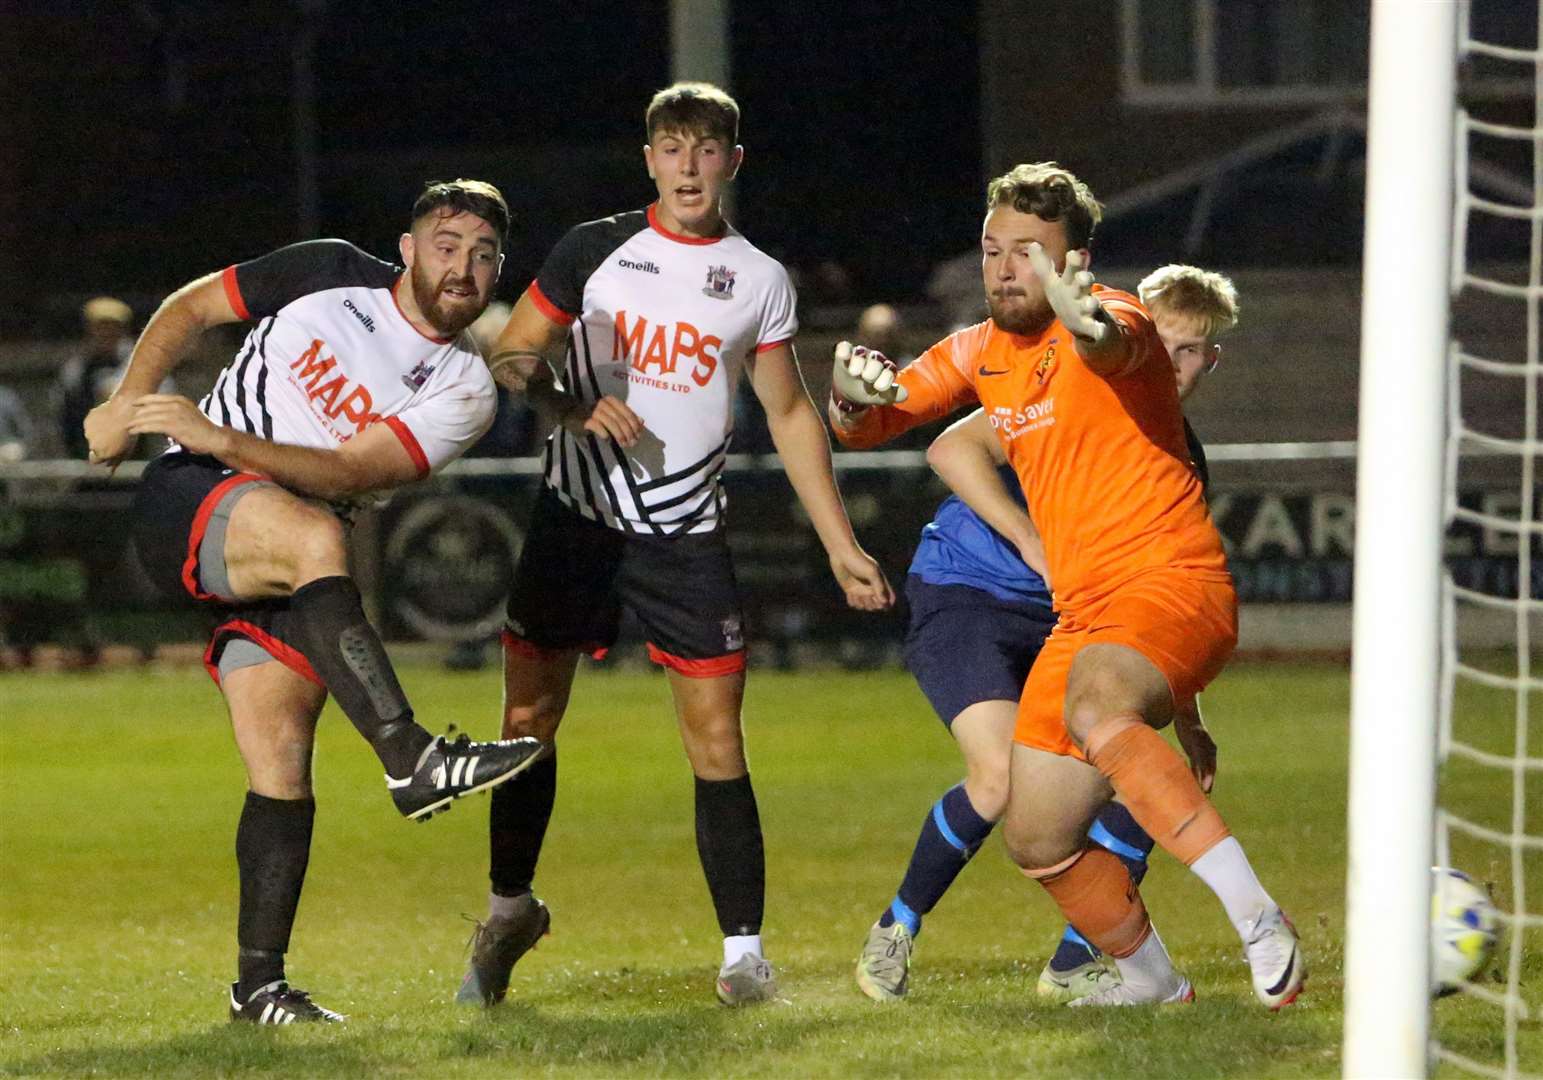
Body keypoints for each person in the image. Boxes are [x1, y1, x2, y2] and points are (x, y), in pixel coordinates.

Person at [453, 81, 894, 1009]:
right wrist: (573, 404)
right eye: (672, 148)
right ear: (648, 158)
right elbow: (512, 356)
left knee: (717, 737)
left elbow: (786, 409)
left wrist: (840, 542)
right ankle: (506, 912)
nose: (688, 167)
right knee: (526, 723)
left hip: (683, 537)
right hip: (575, 520)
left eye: (706, 150)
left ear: (733, 162)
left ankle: (742, 956)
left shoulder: (760, 277)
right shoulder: (594, 248)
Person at [830, 162, 1304, 1009]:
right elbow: (882, 420)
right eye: (993, 251)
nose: (1006, 268)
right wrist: (845, 402)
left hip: (1168, 582)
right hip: (1082, 616)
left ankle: (1258, 918)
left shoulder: (1115, 317)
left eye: (1030, 253)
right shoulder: (980, 349)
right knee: (1036, 833)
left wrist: (1090, 326)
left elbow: (1115, 345)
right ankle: (1150, 980)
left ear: (1073, 259)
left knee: (1096, 708)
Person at [83, 180, 547, 1025]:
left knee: (282, 766)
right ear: (408, 249)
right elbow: (191, 308)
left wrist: (221, 431)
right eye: (446, 246)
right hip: (195, 494)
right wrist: (125, 402)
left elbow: (348, 475)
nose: (463, 268)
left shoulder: (465, 389)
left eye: (484, 256)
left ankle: (257, 988)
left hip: (291, 553)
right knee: (315, 540)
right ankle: (410, 755)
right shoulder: (327, 271)